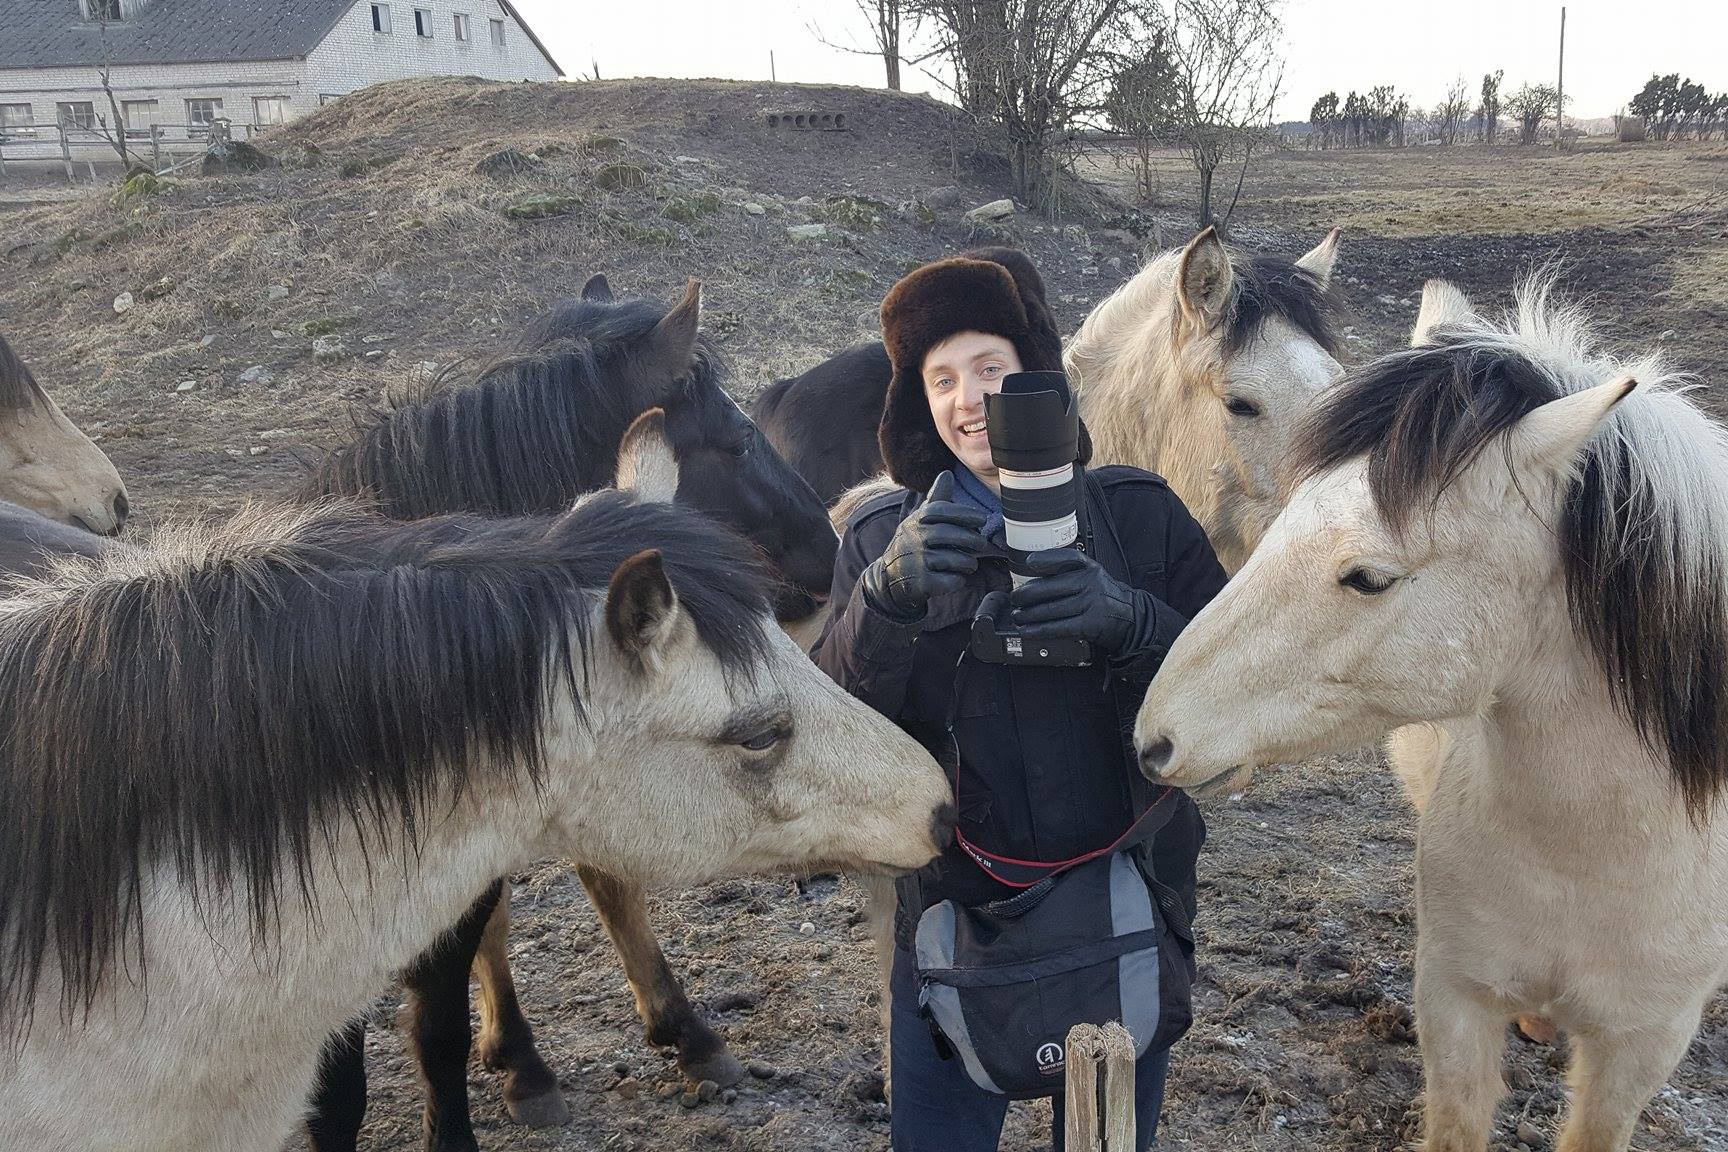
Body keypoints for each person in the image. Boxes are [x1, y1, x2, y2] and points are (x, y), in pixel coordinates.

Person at [812, 250, 1227, 1152]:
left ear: (1036, 376)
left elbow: (1228, 709)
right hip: (954, 926)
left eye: (990, 369)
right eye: (942, 378)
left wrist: (1133, 623)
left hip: (1125, 903)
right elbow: (834, 738)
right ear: (918, 402)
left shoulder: (1139, 517)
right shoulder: (882, 539)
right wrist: (885, 605)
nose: (968, 400)